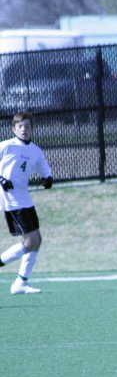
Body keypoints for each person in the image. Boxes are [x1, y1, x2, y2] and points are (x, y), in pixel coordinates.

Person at [0, 111, 53, 294]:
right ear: (13, 129)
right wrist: (1, 179)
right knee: (31, 241)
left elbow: (43, 167)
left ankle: (20, 283)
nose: (24, 129)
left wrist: (47, 178)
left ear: (32, 129)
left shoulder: (35, 151)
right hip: (11, 200)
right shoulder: (6, 146)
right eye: (20, 126)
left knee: (37, 240)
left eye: (27, 126)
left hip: (25, 198)